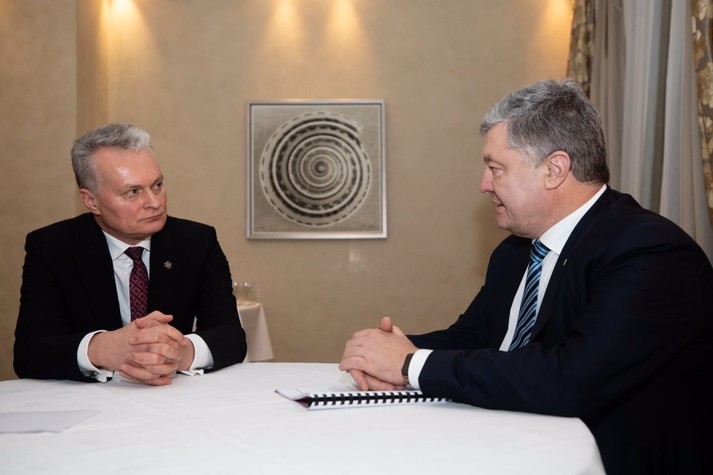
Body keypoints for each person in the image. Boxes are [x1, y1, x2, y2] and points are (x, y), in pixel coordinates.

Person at [339, 79, 713, 474]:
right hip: (514, 445)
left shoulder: (649, 252)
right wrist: (391, 351)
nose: (484, 185)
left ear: (554, 170)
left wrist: (410, 364)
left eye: (496, 169)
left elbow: (571, 380)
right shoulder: (516, 251)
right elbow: (475, 338)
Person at [14, 123, 247, 386]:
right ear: (91, 200)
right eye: (132, 192)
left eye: (157, 185)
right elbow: (29, 353)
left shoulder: (196, 242)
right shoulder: (52, 248)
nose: (154, 203)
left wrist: (183, 352)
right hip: (88, 398)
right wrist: (101, 348)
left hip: (171, 393)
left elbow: (231, 336)